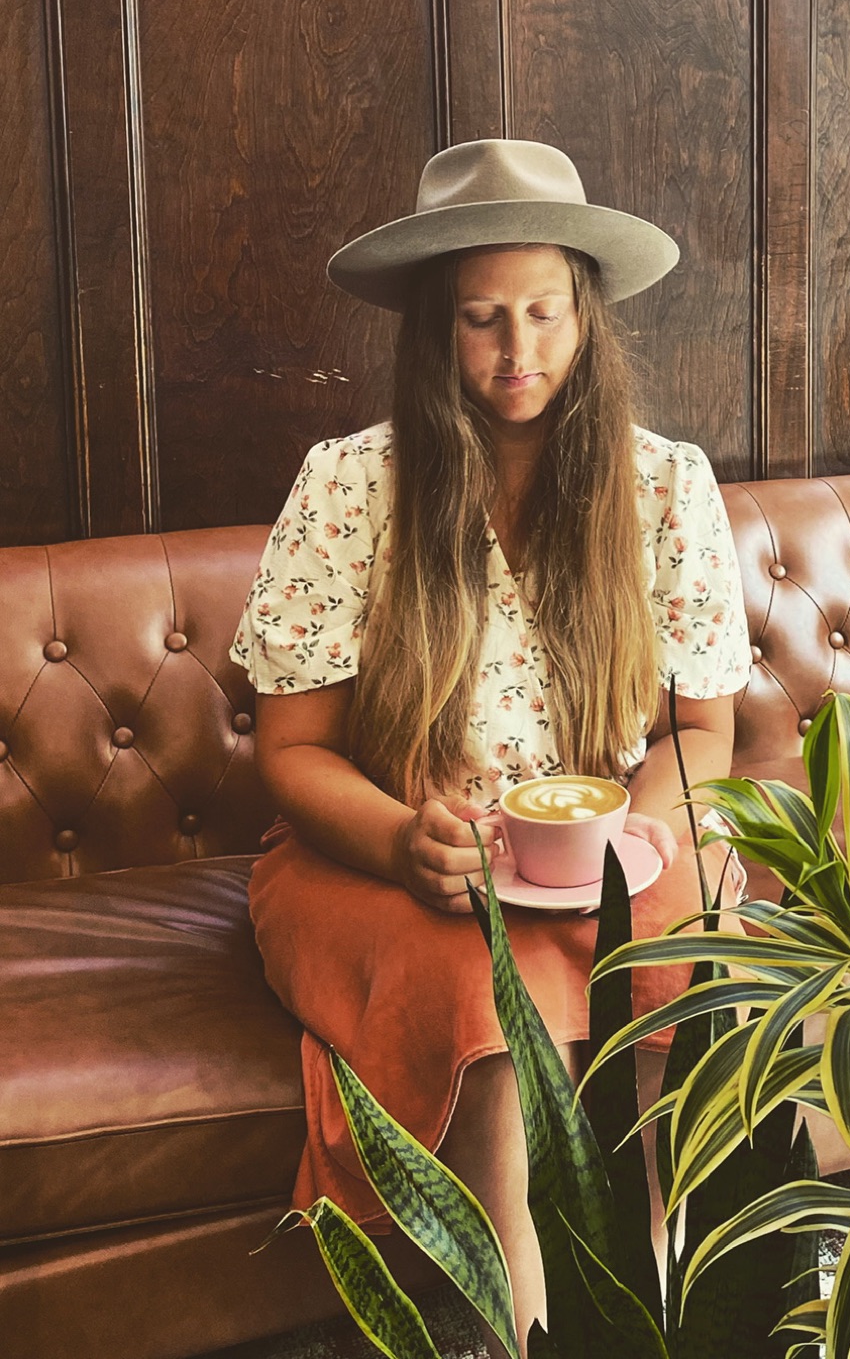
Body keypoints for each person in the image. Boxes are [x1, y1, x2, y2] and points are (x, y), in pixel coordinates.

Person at [233, 139, 751, 1345]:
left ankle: (649, 1310)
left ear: (586, 316)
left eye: (543, 312)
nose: (517, 349)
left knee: (682, 970)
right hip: (378, 856)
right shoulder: (348, 486)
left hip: (603, 848)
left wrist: (641, 843)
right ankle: (516, 1325)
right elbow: (292, 750)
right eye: (481, 319)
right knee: (489, 1007)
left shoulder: (665, 486)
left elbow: (700, 729)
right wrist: (400, 839)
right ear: (435, 328)